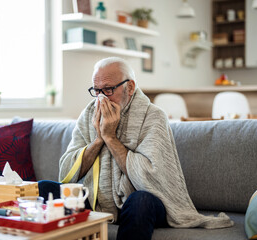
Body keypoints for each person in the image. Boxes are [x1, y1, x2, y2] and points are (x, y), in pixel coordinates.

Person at [38, 57, 233, 240]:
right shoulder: (89, 113)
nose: (100, 99)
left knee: (141, 201)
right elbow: (66, 173)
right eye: (96, 90)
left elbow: (151, 176)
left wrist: (110, 137)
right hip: (97, 199)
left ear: (129, 87)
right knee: (44, 188)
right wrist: (99, 139)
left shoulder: (153, 117)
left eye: (107, 90)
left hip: (147, 201)